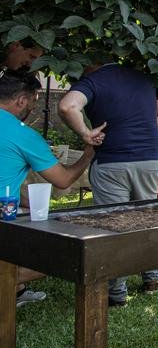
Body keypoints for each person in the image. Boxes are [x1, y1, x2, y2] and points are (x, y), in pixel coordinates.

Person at [58, 63, 158, 307]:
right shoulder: (145, 78)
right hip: (149, 159)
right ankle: (152, 278)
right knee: (146, 218)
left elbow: (67, 106)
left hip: (112, 160)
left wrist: (86, 133)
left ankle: (116, 292)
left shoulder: (94, 81)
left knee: (112, 225)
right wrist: (139, 125)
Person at [0, 70, 97, 306]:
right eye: (33, 102)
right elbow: (62, 180)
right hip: (3, 216)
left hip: (8, 204)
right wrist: (87, 155)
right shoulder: (23, 134)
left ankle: (17, 290)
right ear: (21, 100)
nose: (32, 109)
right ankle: (6, 285)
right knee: (65, 255)